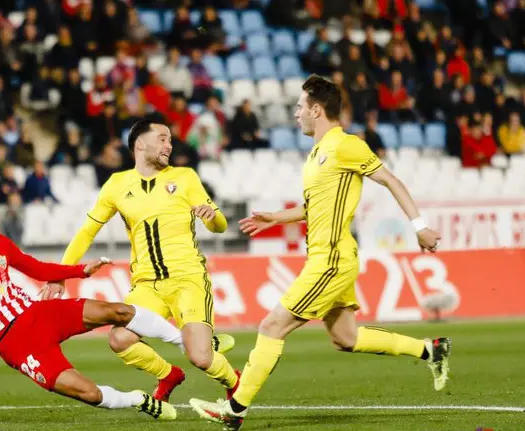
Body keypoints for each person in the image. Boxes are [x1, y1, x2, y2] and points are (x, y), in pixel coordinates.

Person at [189, 75, 450, 430]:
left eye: (299, 107)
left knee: (271, 326)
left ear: (316, 109)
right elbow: (315, 206)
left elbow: (391, 180)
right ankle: (431, 350)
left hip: (331, 259)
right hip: (330, 257)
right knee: (347, 338)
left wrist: (420, 227)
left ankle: (234, 410)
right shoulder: (316, 154)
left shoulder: (347, 145)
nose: (296, 114)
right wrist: (275, 218)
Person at [0, 192, 179, 420]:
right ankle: (139, 399)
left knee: (119, 311)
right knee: (89, 394)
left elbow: (35, 267)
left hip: (39, 314)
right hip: (16, 345)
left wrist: (80, 270)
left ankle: (185, 341)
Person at [60, 119, 239, 403]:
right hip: (147, 285)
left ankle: (234, 381)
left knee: (201, 358)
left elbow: (220, 226)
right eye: (163, 138)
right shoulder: (117, 185)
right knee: (119, 339)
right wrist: (61, 274)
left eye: (170, 140)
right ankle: (168, 374)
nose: (169, 145)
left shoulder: (185, 177)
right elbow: (86, 232)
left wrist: (212, 216)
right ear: (140, 144)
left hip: (188, 279)